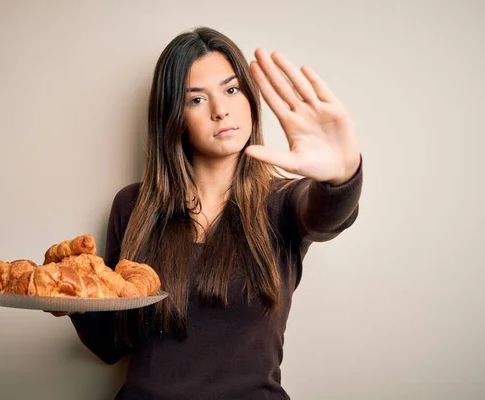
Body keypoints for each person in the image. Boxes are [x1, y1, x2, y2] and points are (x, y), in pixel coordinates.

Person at [48, 26, 363, 400]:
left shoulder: (285, 202)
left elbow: (328, 216)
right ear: (173, 117)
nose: (220, 111)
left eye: (232, 90)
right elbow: (112, 345)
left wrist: (342, 177)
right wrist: (73, 301)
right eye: (196, 100)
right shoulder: (132, 206)